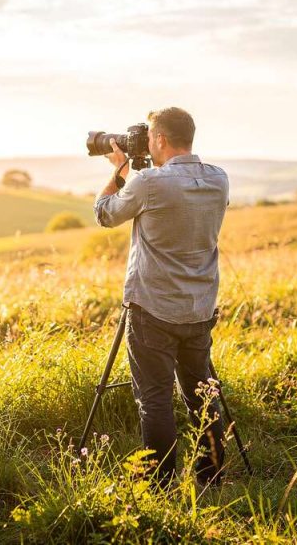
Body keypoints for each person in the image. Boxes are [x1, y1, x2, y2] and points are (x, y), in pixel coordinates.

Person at [93, 106, 229, 488]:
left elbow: (104, 214)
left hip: (152, 309)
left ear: (161, 140)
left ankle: (161, 484)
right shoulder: (219, 179)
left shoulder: (148, 182)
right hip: (199, 308)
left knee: (153, 399)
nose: (148, 144)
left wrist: (119, 171)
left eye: (151, 137)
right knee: (202, 393)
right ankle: (212, 476)